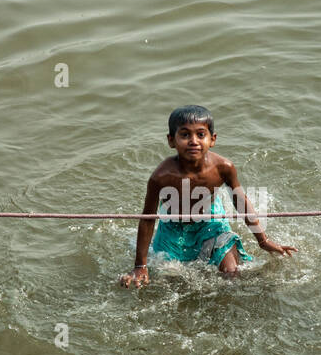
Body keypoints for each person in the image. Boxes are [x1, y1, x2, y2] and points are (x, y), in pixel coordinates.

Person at [119, 105, 297, 286]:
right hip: (173, 226)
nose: (193, 141)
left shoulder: (223, 168)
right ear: (171, 140)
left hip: (210, 221)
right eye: (185, 135)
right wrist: (140, 265)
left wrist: (263, 240)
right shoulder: (161, 177)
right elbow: (147, 219)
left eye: (200, 134)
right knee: (173, 282)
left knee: (231, 274)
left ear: (213, 139)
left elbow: (240, 200)